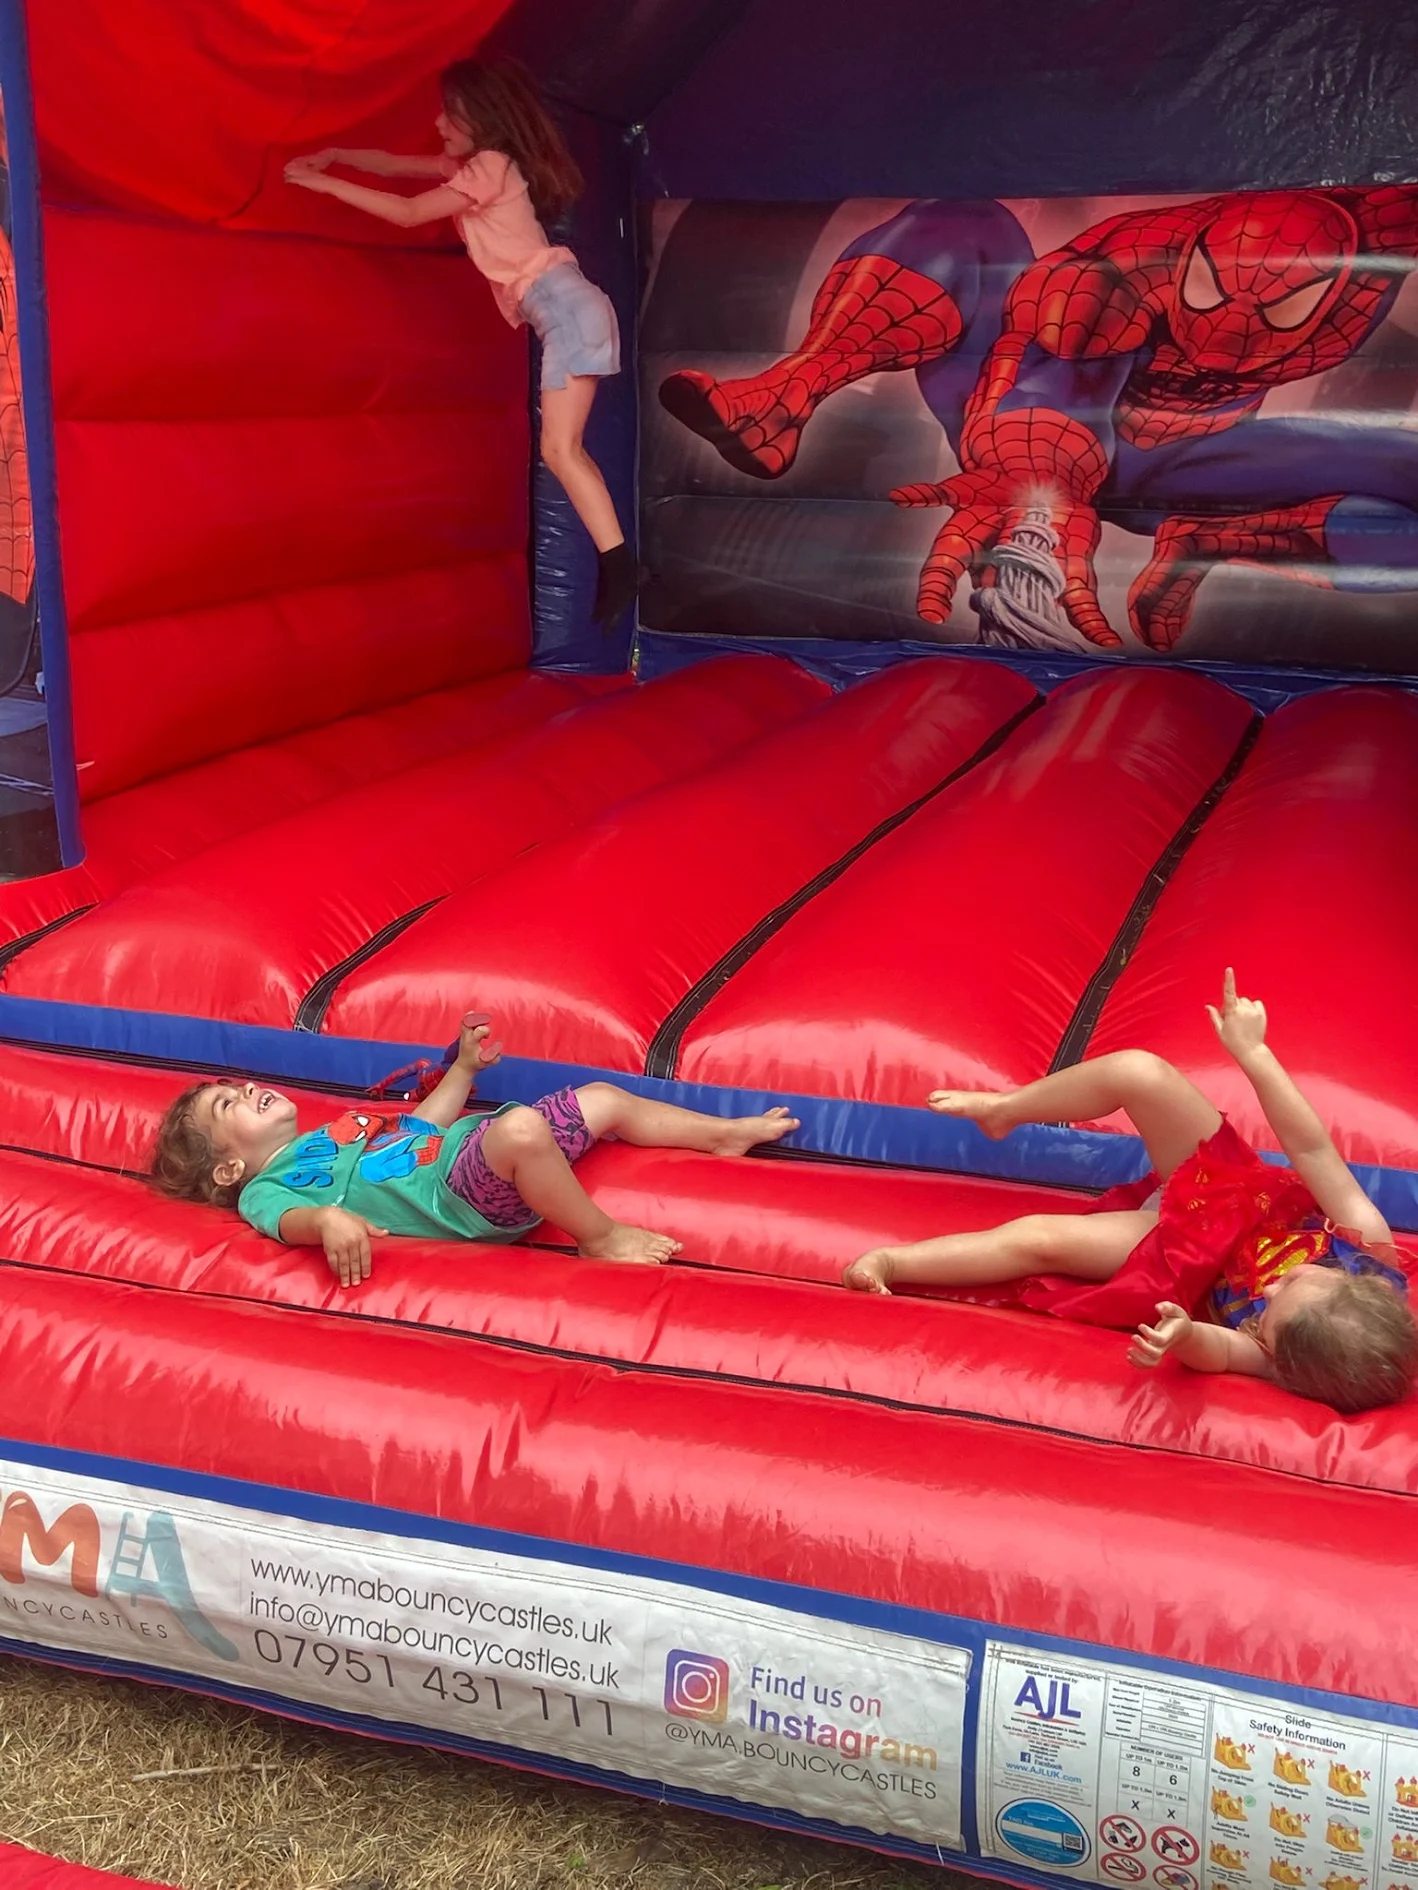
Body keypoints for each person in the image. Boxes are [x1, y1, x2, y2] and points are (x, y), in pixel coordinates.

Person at [844, 971, 1417, 1413]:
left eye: (1267, 1311)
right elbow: (1312, 1151)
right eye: (1292, 1278)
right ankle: (1005, 1110)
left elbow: (1216, 1352)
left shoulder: (1284, 1358)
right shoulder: (1366, 1243)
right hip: (1231, 1192)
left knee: (1040, 1240)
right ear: (1357, 1280)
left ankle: (891, 1260)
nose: (1269, 1283)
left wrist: (1183, 1334)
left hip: (1183, 1258)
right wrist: (1255, 1055)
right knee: (1139, 1071)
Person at [284, 58, 637, 627]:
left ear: (479, 117)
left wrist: (321, 182)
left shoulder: (491, 165)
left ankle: (620, 567)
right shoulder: (480, 165)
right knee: (566, 451)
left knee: (560, 452)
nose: (439, 123)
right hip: (569, 309)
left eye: (451, 114)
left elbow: (407, 212)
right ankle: (618, 565)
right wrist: (340, 155)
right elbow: (400, 166)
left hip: (566, 311)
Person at [152, 1013, 799, 1286]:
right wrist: (325, 1219)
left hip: (470, 1152)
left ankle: (719, 1133)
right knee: (520, 1133)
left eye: (239, 1084)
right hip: (462, 1197)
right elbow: (281, 1221)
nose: (248, 1089)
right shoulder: (270, 1186)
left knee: (602, 1097)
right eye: (227, 1103)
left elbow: (418, 1130)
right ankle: (599, 1236)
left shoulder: (332, 1134)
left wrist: (461, 1071)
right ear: (230, 1164)